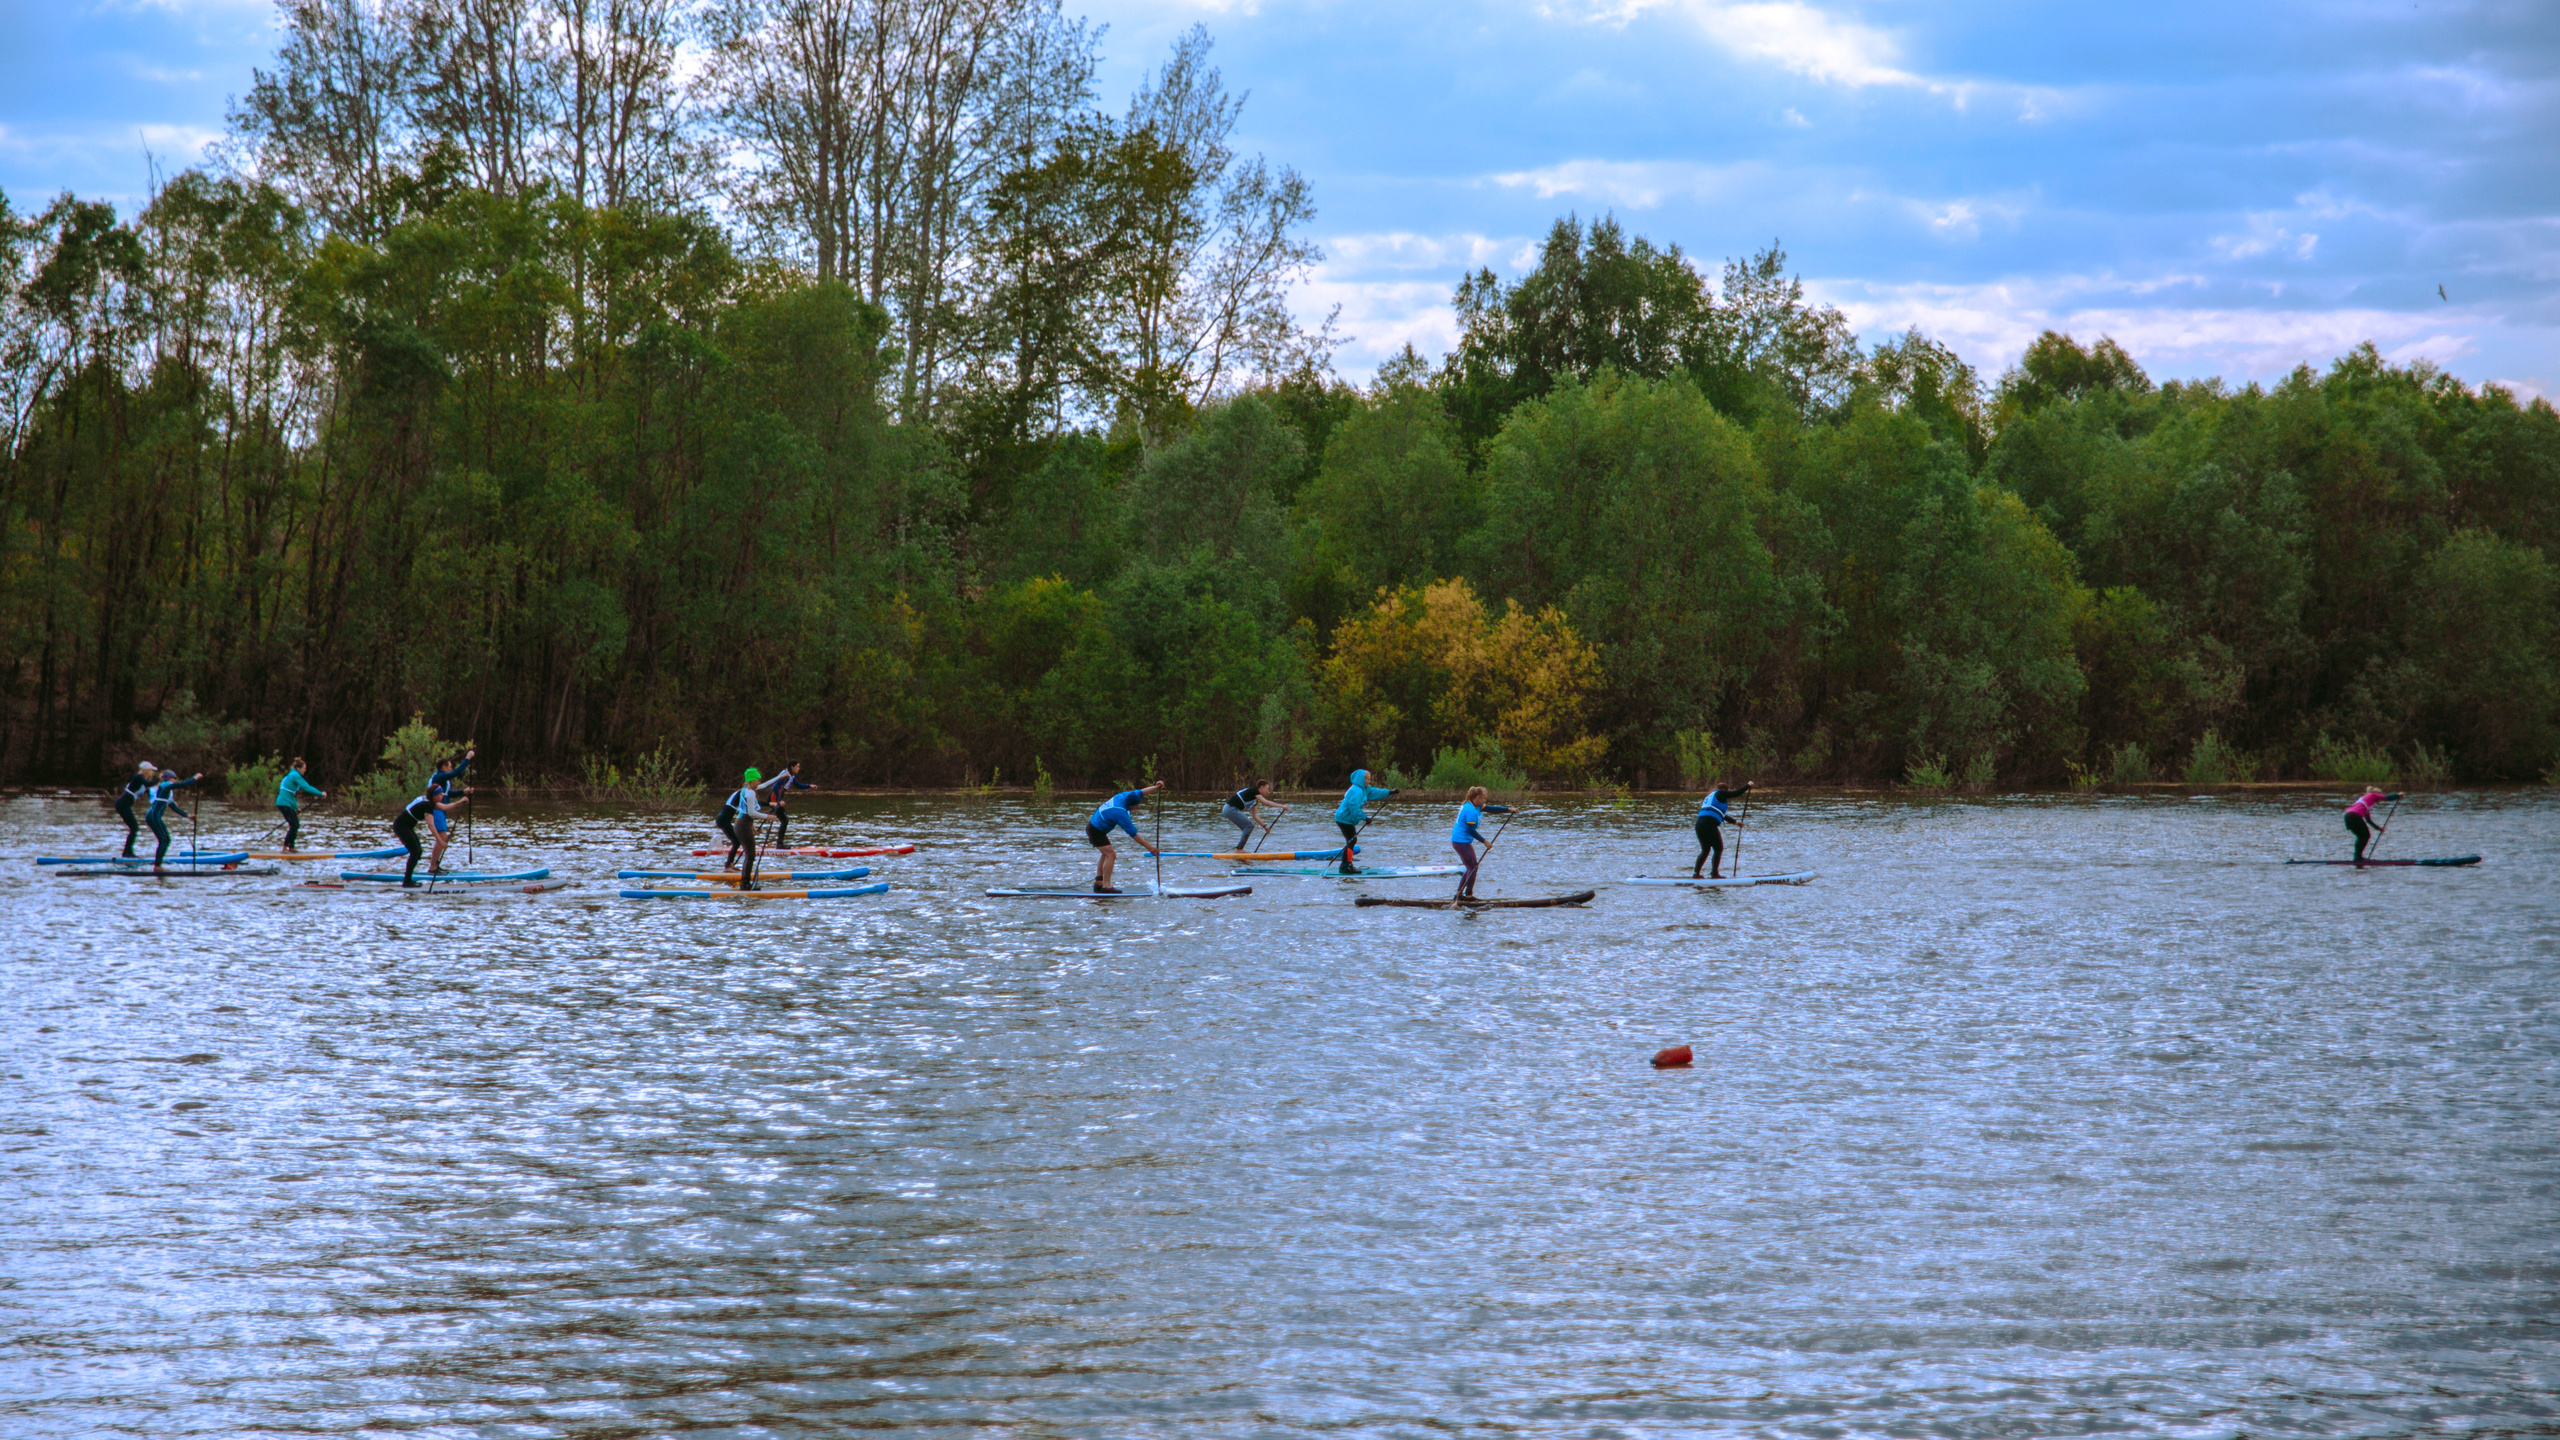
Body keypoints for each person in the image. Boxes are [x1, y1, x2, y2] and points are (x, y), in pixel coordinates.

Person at [1087, 781, 1164, 893]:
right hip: (1095, 830)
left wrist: (1157, 787)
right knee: (1111, 855)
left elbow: (1143, 791)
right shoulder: (1120, 813)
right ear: (1130, 805)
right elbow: (1134, 835)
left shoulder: (1125, 796)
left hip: (1096, 827)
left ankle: (1099, 883)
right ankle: (1106, 886)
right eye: (1136, 805)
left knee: (1105, 854)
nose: (1137, 806)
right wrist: (1150, 848)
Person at [392, 784, 467, 887]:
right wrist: (441, 841)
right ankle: (407, 882)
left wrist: (461, 801)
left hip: (406, 827)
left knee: (418, 852)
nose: (442, 797)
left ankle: (408, 879)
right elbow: (431, 826)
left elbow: (445, 807)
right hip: (401, 826)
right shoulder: (427, 806)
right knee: (415, 852)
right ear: (435, 796)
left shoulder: (430, 803)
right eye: (440, 795)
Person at [1333, 768, 1397, 875]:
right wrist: (1364, 818)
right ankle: (1347, 866)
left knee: (1351, 841)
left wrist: (1389, 792)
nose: (1370, 781)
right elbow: (1353, 807)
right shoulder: (1356, 791)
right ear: (1362, 780)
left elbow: (1376, 792)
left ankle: (1345, 865)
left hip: (1347, 819)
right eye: (1368, 779)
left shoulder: (1364, 789)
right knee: (1351, 841)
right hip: (1343, 819)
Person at [424, 748, 475, 875]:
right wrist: (468, 758)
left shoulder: (443, 780)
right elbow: (457, 772)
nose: (451, 769)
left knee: (443, 837)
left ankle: (435, 866)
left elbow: (448, 794)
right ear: (443, 767)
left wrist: (463, 792)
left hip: (442, 809)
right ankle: (432, 867)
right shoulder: (439, 776)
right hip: (437, 809)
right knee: (442, 837)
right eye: (449, 766)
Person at [1692, 779, 1753, 879]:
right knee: (1718, 848)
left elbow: (1721, 815)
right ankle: (1714, 874)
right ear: (1724, 790)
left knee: (1705, 850)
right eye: (1727, 791)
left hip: (1700, 824)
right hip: (1709, 824)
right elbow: (1736, 793)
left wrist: (1735, 822)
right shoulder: (1720, 793)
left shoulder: (1711, 797)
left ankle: (1696, 874)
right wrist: (1747, 786)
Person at [144, 769, 203, 870]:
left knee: (166, 840)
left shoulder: (167, 791)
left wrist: (188, 816)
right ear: (168, 778)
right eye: (173, 778)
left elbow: (174, 808)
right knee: (163, 840)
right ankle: (157, 866)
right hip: (152, 816)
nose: (175, 781)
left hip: (154, 816)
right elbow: (183, 785)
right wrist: (195, 777)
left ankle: (158, 864)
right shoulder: (164, 785)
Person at [721, 769, 767, 889]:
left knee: (749, 855)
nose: (759, 781)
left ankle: (744, 882)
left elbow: (744, 811)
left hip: (742, 824)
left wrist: (752, 826)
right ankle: (745, 883)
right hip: (743, 825)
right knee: (750, 855)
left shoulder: (745, 790)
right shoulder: (750, 793)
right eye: (757, 779)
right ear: (752, 780)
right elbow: (751, 812)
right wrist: (769, 817)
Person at [1221, 779, 1287, 852]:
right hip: (1230, 809)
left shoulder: (1254, 800)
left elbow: (1255, 816)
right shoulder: (1254, 790)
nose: (1268, 791)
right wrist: (1282, 806)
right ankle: (1239, 849)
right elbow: (1266, 803)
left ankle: (1239, 849)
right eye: (1267, 788)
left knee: (1248, 827)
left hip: (1229, 810)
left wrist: (1265, 827)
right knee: (1249, 826)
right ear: (1261, 787)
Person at [274, 757, 324, 851]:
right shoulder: (295, 776)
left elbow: (290, 794)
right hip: (284, 803)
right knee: (294, 825)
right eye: (304, 768)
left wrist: (296, 808)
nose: (305, 770)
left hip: (285, 802)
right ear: (298, 768)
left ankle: (291, 847)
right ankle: (285, 848)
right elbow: (306, 787)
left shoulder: (291, 775)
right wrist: (320, 793)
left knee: (295, 824)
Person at [1450, 786, 1491, 899]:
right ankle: (1463, 895)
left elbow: (1491, 808)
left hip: (1461, 840)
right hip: (1460, 841)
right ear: (1476, 797)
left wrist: (1508, 810)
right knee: (1472, 867)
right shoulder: (1470, 810)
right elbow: (1471, 830)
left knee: (1472, 867)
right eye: (1484, 798)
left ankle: (1463, 894)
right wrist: (1485, 841)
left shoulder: (1473, 805)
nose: (1485, 801)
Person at [757, 762, 809, 848]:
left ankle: (779, 843)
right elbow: (775, 787)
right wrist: (779, 800)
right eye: (797, 767)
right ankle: (779, 845)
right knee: (784, 820)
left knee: (784, 820)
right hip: (773, 799)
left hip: (777, 798)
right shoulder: (786, 776)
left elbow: (799, 785)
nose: (799, 768)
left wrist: (809, 786)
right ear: (792, 767)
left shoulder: (791, 776)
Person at [2344, 785, 2401, 862]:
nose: (2380, 798)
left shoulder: (2365, 801)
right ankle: (2358, 857)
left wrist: (2378, 828)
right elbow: (2387, 798)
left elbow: (2368, 820)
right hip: (2354, 816)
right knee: (2365, 836)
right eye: (2380, 795)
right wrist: (2398, 795)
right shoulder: (2372, 795)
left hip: (2348, 816)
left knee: (2362, 836)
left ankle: (2357, 857)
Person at [115, 762, 156, 858]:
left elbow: (151, 795)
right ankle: (127, 853)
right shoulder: (138, 777)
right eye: (151, 770)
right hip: (122, 804)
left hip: (124, 804)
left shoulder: (141, 781)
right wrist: (159, 779)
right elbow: (149, 783)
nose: (152, 773)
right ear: (146, 770)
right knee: (134, 828)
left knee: (134, 828)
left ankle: (127, 852)